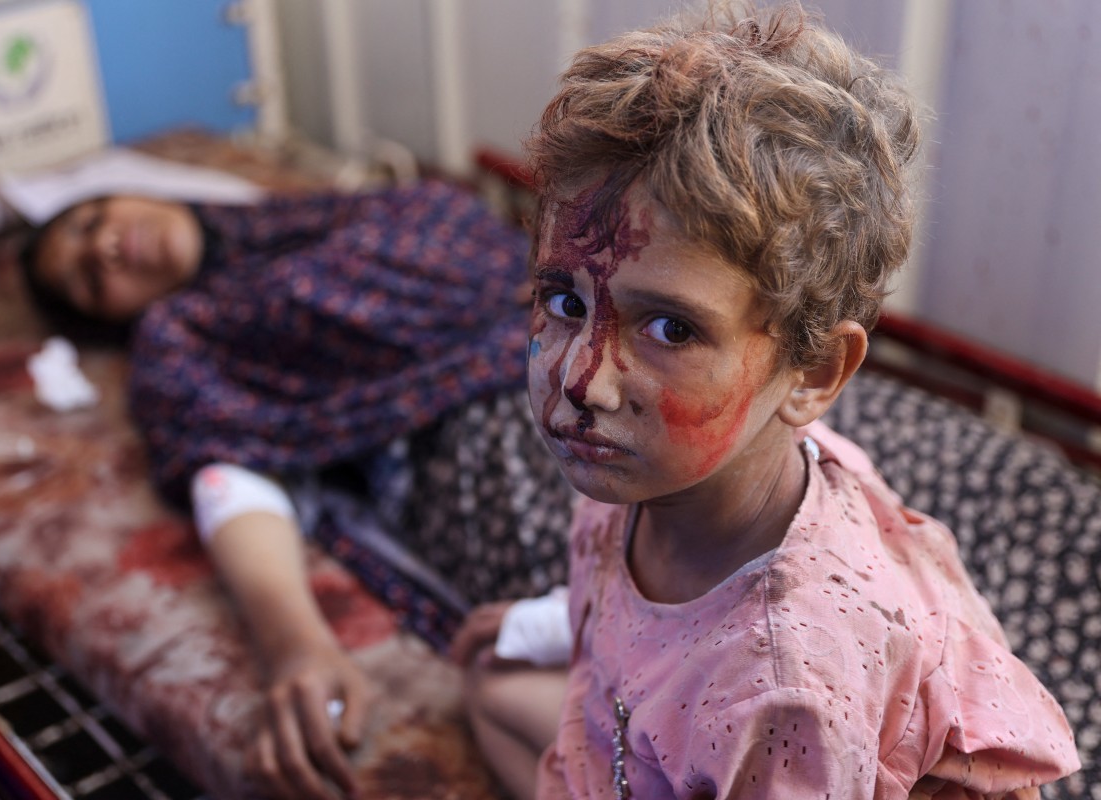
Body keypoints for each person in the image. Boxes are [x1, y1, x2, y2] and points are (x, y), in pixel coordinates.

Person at [450, 4, 1081, 798]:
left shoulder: (782, 687)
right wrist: (538, 624)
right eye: (565, 300)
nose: (583, 381)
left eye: (671, 328)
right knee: (489, 688)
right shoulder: (639, 468)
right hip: (667, 740)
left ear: (813, 372)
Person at [20, 180, 576, 799]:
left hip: (576, 359)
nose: (106, 246)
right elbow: (228, 474)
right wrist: (295, 646)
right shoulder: (178, 340)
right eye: (90, 279)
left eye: (93, 219)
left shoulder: (312, 209)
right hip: (480, 444)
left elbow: (457, 226)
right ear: (108, 320)